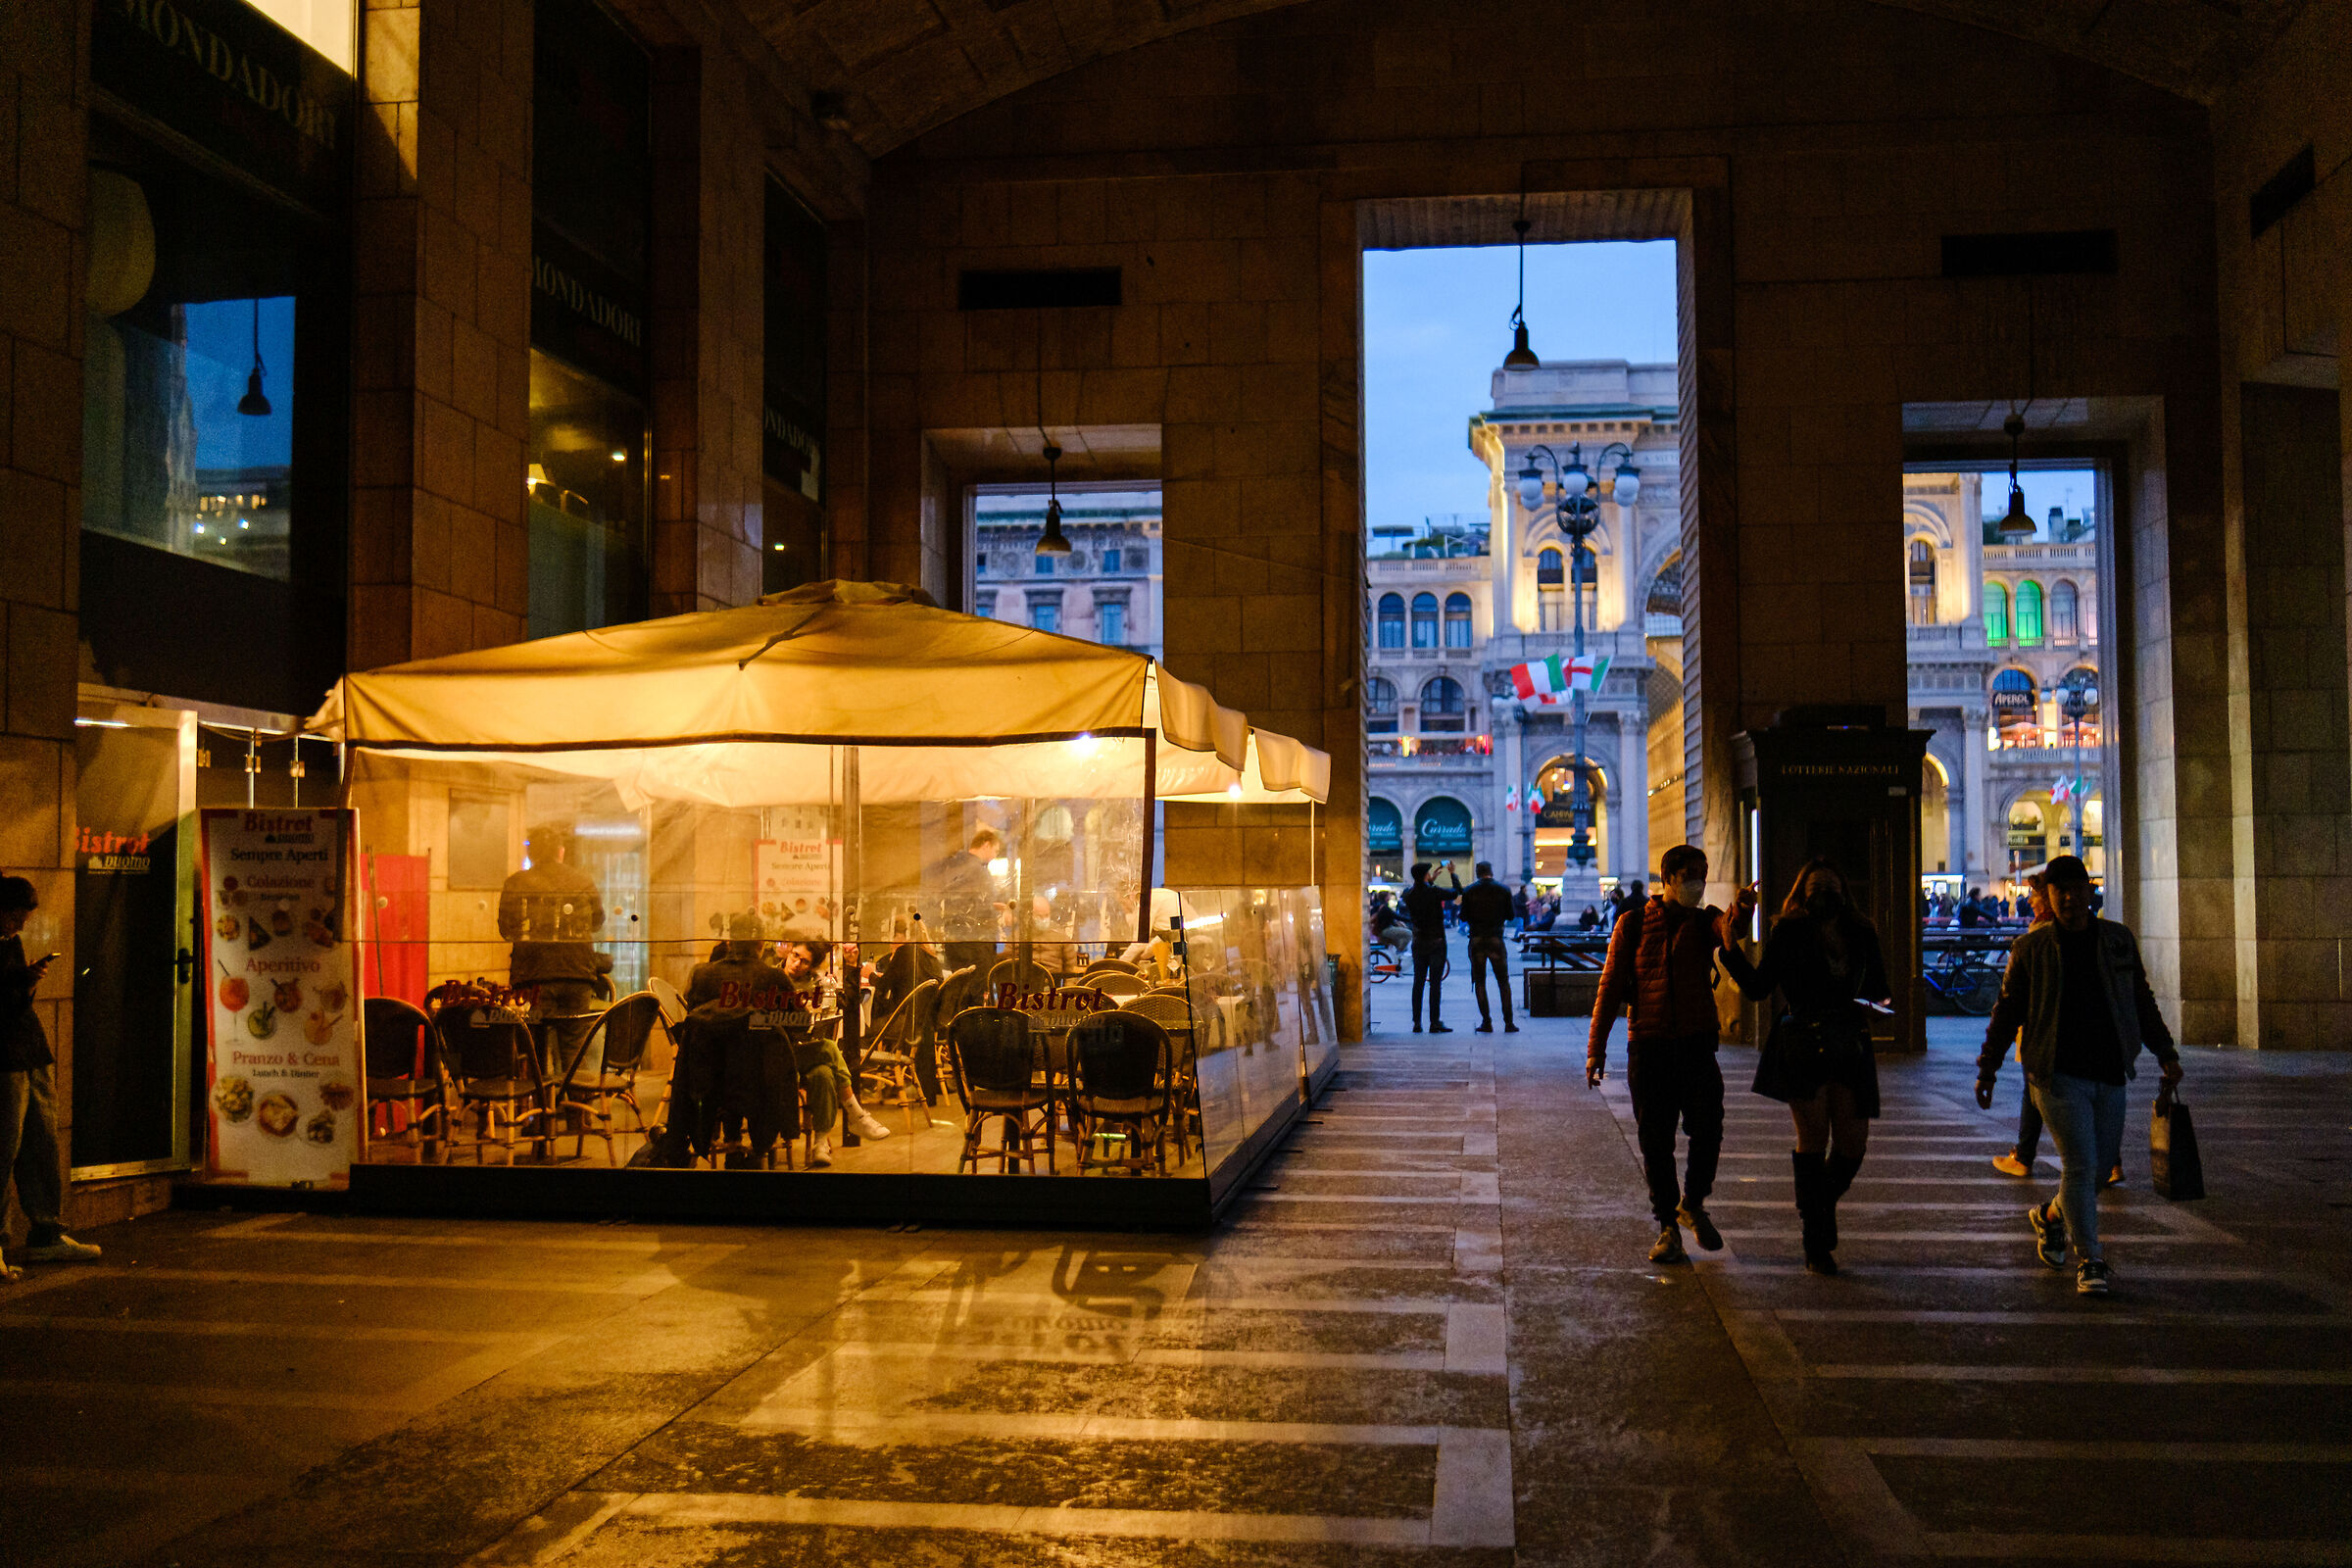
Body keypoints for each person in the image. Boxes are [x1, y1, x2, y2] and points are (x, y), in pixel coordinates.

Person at [1976, 856, 2180, 1296]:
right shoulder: (2030, 950)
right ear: (2049, 897)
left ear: (2090, 891)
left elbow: (2140, 999)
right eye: (2058, 890)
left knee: (2100, 1168)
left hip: (2109, 1070)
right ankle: (2091, 1259)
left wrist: (2165, 1050)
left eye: (2076, 888)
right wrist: (1988, 1067)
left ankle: (2049, 1215)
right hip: (2056, 1073)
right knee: (2081, 1164)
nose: (2069, 898)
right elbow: (2006, 1010)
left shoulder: (2118, 941)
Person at [1588, 847, 1759, 1264]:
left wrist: (1742, 908)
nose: (1696, 882)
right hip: (1649, 1044)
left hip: (1697, 1043)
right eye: (1688, 874)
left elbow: (1728, 928)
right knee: (1655, 1141)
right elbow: (1610, 987)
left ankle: (1693, 1202)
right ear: (1667, 878)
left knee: (1708, 1129)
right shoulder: (1632, 923)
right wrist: (1596, 1049)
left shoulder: (1704, 922)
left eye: (1701, 874)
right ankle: (1667, 1226)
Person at [1726, 859, 1888, 1276]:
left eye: (1831, 885)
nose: (1824, 894)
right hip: (1803, 1041)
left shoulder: (1862, 931)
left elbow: (1881, 992)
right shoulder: (1789, 932)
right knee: (1813, 1139)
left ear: (1843, 892)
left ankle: (1819, 1207)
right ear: (1801, 893)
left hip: (1850, 1043)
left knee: (1853, 1146)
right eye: (1815, 887)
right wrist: (1729, 950)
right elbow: (1760, 988)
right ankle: (1816, 1240)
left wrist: (1879, 1010)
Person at [0, 877, 101, 1277]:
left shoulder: (10, 942)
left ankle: (46, 1229)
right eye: (15, 916)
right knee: (5, 1145)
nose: (20, 926)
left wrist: (26, 983)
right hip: (4, 1055)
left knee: (41, 1138)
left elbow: (13, 998)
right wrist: (17, 983)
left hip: (29, 1047)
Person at [497, 825, 611, 1016]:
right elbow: (597, 922)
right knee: (574, 1041)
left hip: (531, 974)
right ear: (561, 851)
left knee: (536, 1040)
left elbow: (506, 930)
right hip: (577, 972)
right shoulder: (583, 881)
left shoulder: (516, 882)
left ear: (530, 854)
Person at [1990, 873, 2052, 1179]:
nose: (2029, 899)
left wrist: (1988, 1068)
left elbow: (2009, 1002)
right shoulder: (2093, 934)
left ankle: (2024, 1155)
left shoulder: (2034, 938)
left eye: (2035, 894)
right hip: (2068, 1032)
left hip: (2040, 1030)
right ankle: (2110, 1161)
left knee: (2033, 1091)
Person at [1458, 861, 1518, 1035]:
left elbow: (1463, 916)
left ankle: (1487, 1021)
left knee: (1480, 981)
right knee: (1503, 982)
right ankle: (1509, 1022)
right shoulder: (1504, 890)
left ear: (1477, 873)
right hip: (1496, 939)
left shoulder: (1469, 891)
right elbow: (1511, 915)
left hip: (1477, 939)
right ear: (1491, 871)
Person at [937, 827, 1004, 976]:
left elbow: (962, 903)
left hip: (954, 941)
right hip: (976, 944)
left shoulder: (953, 866)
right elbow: (984, 908)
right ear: (986, 845)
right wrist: (997, 912)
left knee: (960, 988)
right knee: (976, 994)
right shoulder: (979, 871)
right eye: (995, 850)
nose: (995, 855)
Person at [1401, 861, 1457, 1033]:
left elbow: (1420, 892)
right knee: (1435, 983)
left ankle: (1417, 1022)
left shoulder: (1408, 894)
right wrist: (1452, 874)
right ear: (1426, 875)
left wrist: (1428, 882)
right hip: (1436, 942)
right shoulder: (1433, 892)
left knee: (1418, 982)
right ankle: (1434, 1021)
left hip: (1419, 941)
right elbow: (1455, 893)